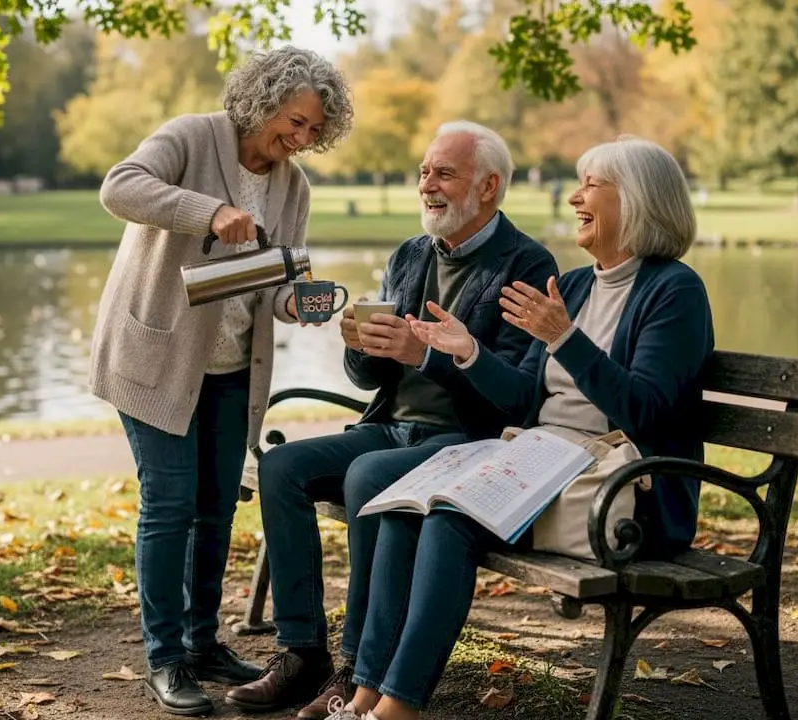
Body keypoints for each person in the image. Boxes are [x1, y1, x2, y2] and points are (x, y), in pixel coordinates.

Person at [324, 136, 715, 720]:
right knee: (407, 503)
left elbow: (648, 412)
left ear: (634, 201)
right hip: (543, 460)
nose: (576, 198)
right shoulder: (578, 285)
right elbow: (525, 399)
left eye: (591, 187)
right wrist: (468, 352)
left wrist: (566, 339)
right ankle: (362, 698)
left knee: (451, 516)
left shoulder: (674, 291)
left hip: (623, 492)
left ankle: (397, 710)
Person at [224, 122, 558, 719]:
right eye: (424, 172)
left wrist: (427, 354)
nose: (427, 185)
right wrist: (359, 345)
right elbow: (369, 380)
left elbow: (517, 398)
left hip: (467, 443)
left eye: (444, 174)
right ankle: (302, 653)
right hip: (390, 427)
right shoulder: (410, 253)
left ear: (489, 187)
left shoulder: (526, 263)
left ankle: (356, 667)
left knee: (369, 476)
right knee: (281, 468)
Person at [91, 45, 354, 716]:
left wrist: (302, 301)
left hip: (234, 366)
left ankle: (202, 643)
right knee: (170, 503)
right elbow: (119, 186)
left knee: (215, 508)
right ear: (265, 100)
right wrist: (206, 212)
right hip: (156, 358)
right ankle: (166, 658)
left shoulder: (294, 187)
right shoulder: (192, 136)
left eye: (311, 132)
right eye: (292, 122)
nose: (298, 140)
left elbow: (278, 283)